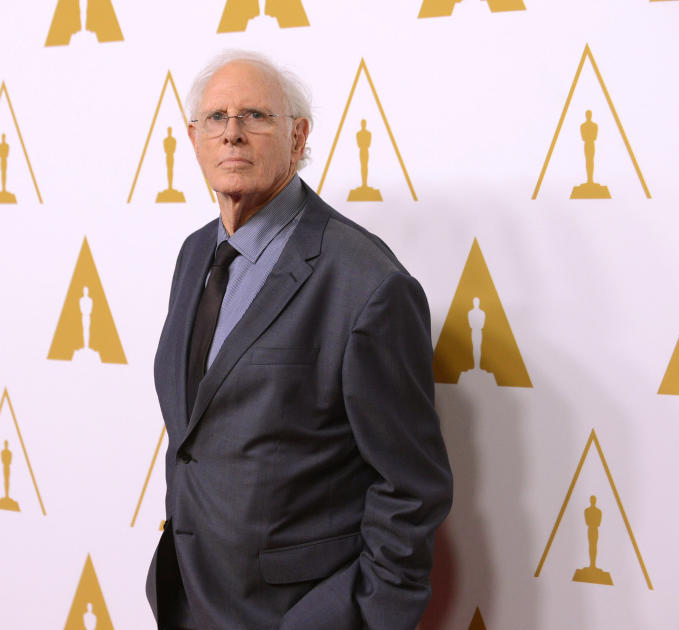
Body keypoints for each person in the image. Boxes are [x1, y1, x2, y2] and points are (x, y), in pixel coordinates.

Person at [147, 51, 452, 630]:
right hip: (188, 597)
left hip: (298, 613)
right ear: (193, 138)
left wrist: (364, 619)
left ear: (298, 135)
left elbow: (411, 489)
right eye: (216, 118)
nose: (232, 133)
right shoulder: (193, 255)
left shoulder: (367, 282)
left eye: (255, 115)